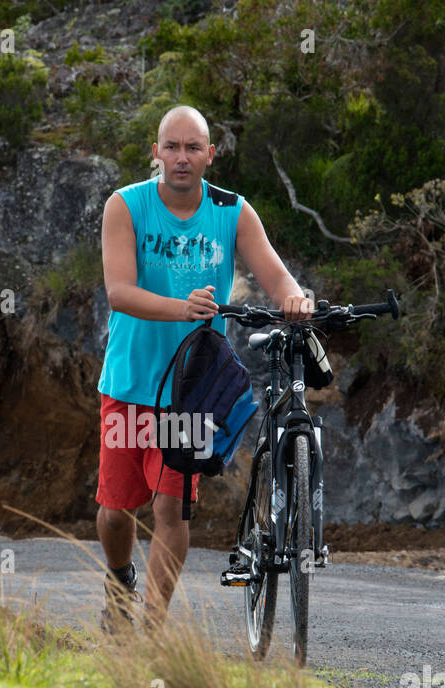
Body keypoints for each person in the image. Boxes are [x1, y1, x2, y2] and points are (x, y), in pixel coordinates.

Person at [96, 104, 313, 634]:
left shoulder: (232, 211)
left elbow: (275, 274)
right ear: (155, 152)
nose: (182, 158)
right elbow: (119, 292)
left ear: (210, 154)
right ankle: (120, 580)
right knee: (116, 509)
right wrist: (182, 307)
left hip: (191, 392)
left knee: (171, 510)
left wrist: (296, 299)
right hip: (130, 382)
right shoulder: (126, 206)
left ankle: (149, 628)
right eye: (171, 147)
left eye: (194, 148)